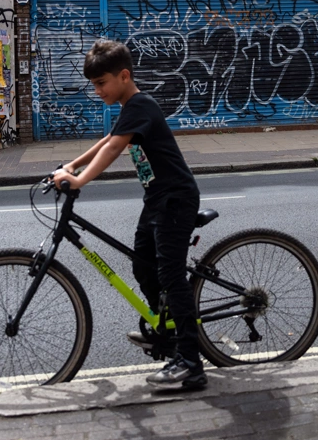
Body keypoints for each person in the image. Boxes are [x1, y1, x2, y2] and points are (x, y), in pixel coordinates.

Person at [51, 39, 206, 389]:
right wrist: (71, 165)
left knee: (170, 276)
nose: (97, 90)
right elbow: (109, 139)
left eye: (101, 83)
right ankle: (165, 332)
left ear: (123, 76)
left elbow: (116, 147)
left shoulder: (141, 104)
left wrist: (78, 181)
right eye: (93, 84)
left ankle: (190, 362)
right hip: (156, 200)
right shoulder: (130, 107)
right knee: (142, 265)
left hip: (176, 200)